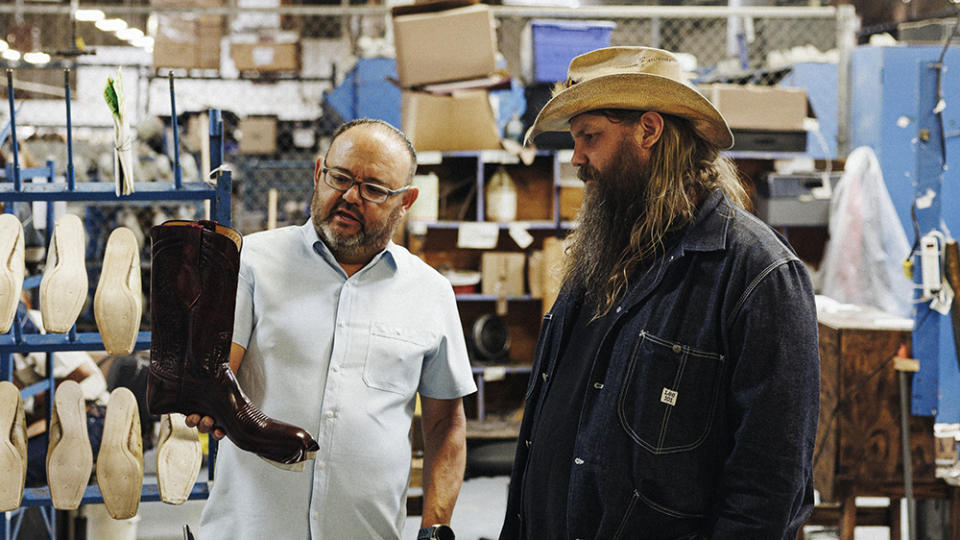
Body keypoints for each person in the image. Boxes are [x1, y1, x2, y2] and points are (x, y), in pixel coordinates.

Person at [499, 47, 820, 539]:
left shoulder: (756, 273)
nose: (577, 158)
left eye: (589, 137)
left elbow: (769, 484)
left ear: (649, 130)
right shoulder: (601, 251)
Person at [190, 119, 477, 539]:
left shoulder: (430, 293)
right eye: (339, 178)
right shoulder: (252, 261)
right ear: (319, 171)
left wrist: (435, 528)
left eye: (374, 189)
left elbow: (445, 424)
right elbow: (217, 376)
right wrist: (208, 400)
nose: (348, 197)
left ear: (406, 201)